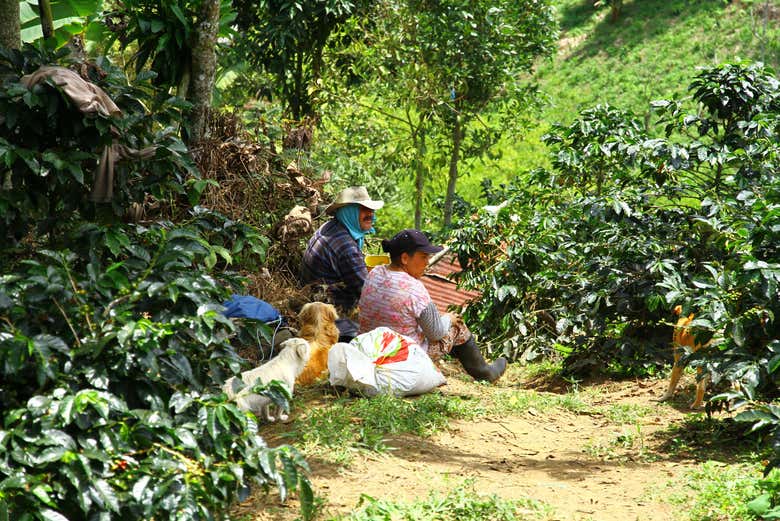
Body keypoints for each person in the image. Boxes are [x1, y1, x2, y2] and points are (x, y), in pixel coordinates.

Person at [358, 229, 507, 382]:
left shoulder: (375, 273)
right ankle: (486, 373)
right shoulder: (414, 288)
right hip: (401, 356)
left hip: (371, 349)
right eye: (423, 257)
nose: (427, 262)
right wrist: (448, 319)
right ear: (405, 258)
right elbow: (437, 333)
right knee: (457, 326)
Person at [301, 186, 384, 341]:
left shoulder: (331, 227)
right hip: (328, 314)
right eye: (363, 210)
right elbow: (366, 292)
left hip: (312, 299)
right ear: (348, 212)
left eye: (371, 210)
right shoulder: (346, 247)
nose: (371, 214)